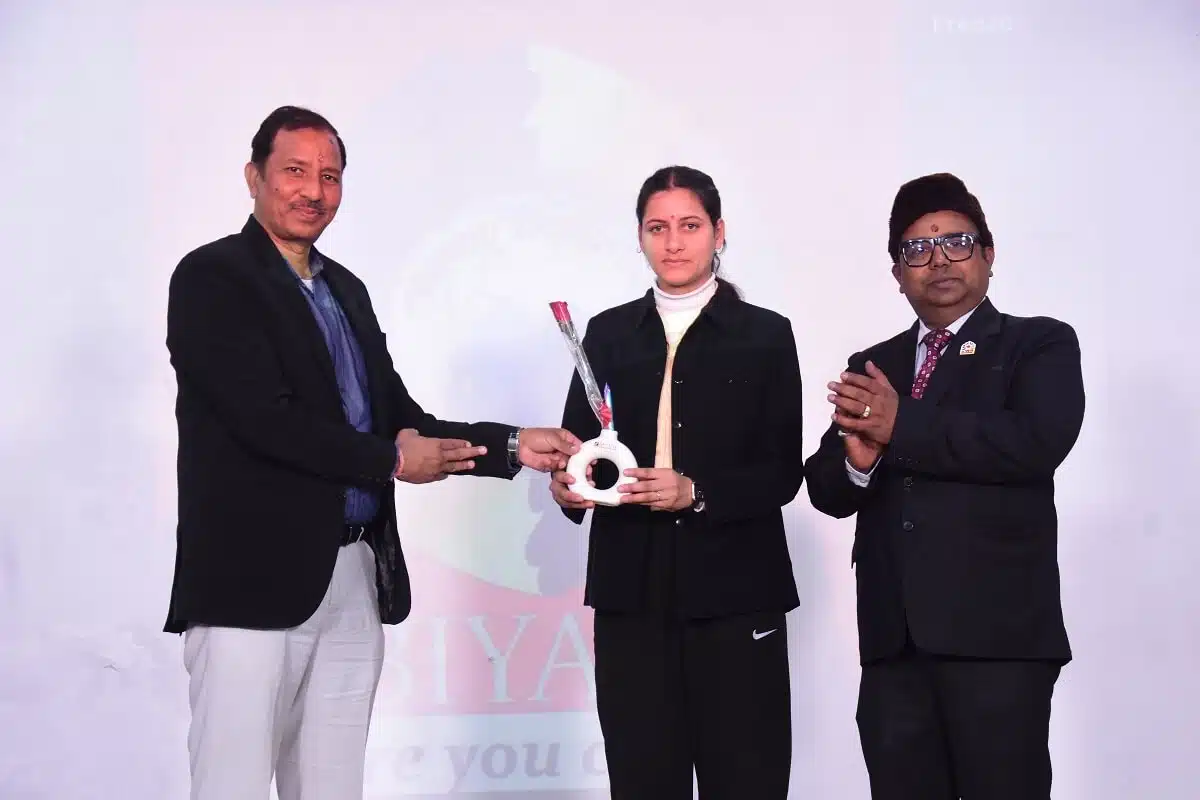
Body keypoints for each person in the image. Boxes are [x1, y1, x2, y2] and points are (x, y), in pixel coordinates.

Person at [163, 105, 581, 800]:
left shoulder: (345, 290)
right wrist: (389, 461)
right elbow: (264, 421)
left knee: (334, 787)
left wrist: (511, 445)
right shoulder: (212, 278)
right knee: (231, 783)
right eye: (295, 171)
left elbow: (401, 422)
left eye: (329, 176)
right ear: (254, 177)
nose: (313, 191)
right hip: (248, 582)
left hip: (352, 574)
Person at [804, 172, 1085, 799]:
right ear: (897, 273)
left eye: (956, 242)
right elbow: (825, 487)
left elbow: (1035, 442)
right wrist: (859, 460)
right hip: (894, 647)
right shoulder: (874, 365)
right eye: (917, 249)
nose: (938, 260)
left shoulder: (1037, 344)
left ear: (988, 254)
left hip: (999, 643)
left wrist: (899, 425)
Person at [549, 165, 805, 799]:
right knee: (642, 780)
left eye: (690, 226)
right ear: (639, 236)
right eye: (657, 228)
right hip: (630, 594)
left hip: (737, 591)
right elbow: (578, 452)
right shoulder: (608, 333)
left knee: (746, 779)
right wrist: (568, 487)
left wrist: (697, 492)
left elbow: (781, 471)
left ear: (719, 232)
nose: (673, 242)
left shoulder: (765, 334)